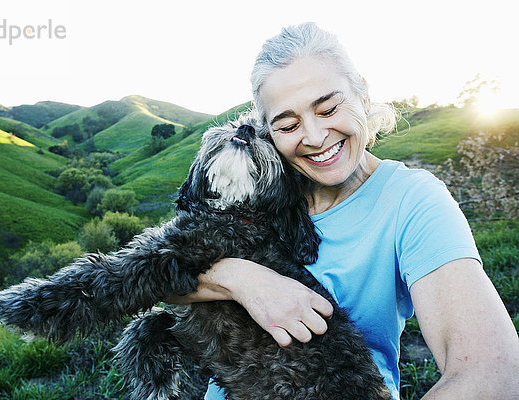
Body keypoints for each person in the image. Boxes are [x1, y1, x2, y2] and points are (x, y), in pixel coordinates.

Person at [169, 22, 519, 399]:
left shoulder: (412, 201)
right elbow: (160, 277)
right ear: (267, 131)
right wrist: (247, 281)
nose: (316, 137)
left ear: (362, 93)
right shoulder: (258, 190)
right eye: (288, 125)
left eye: (329, 108)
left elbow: (494, 373)